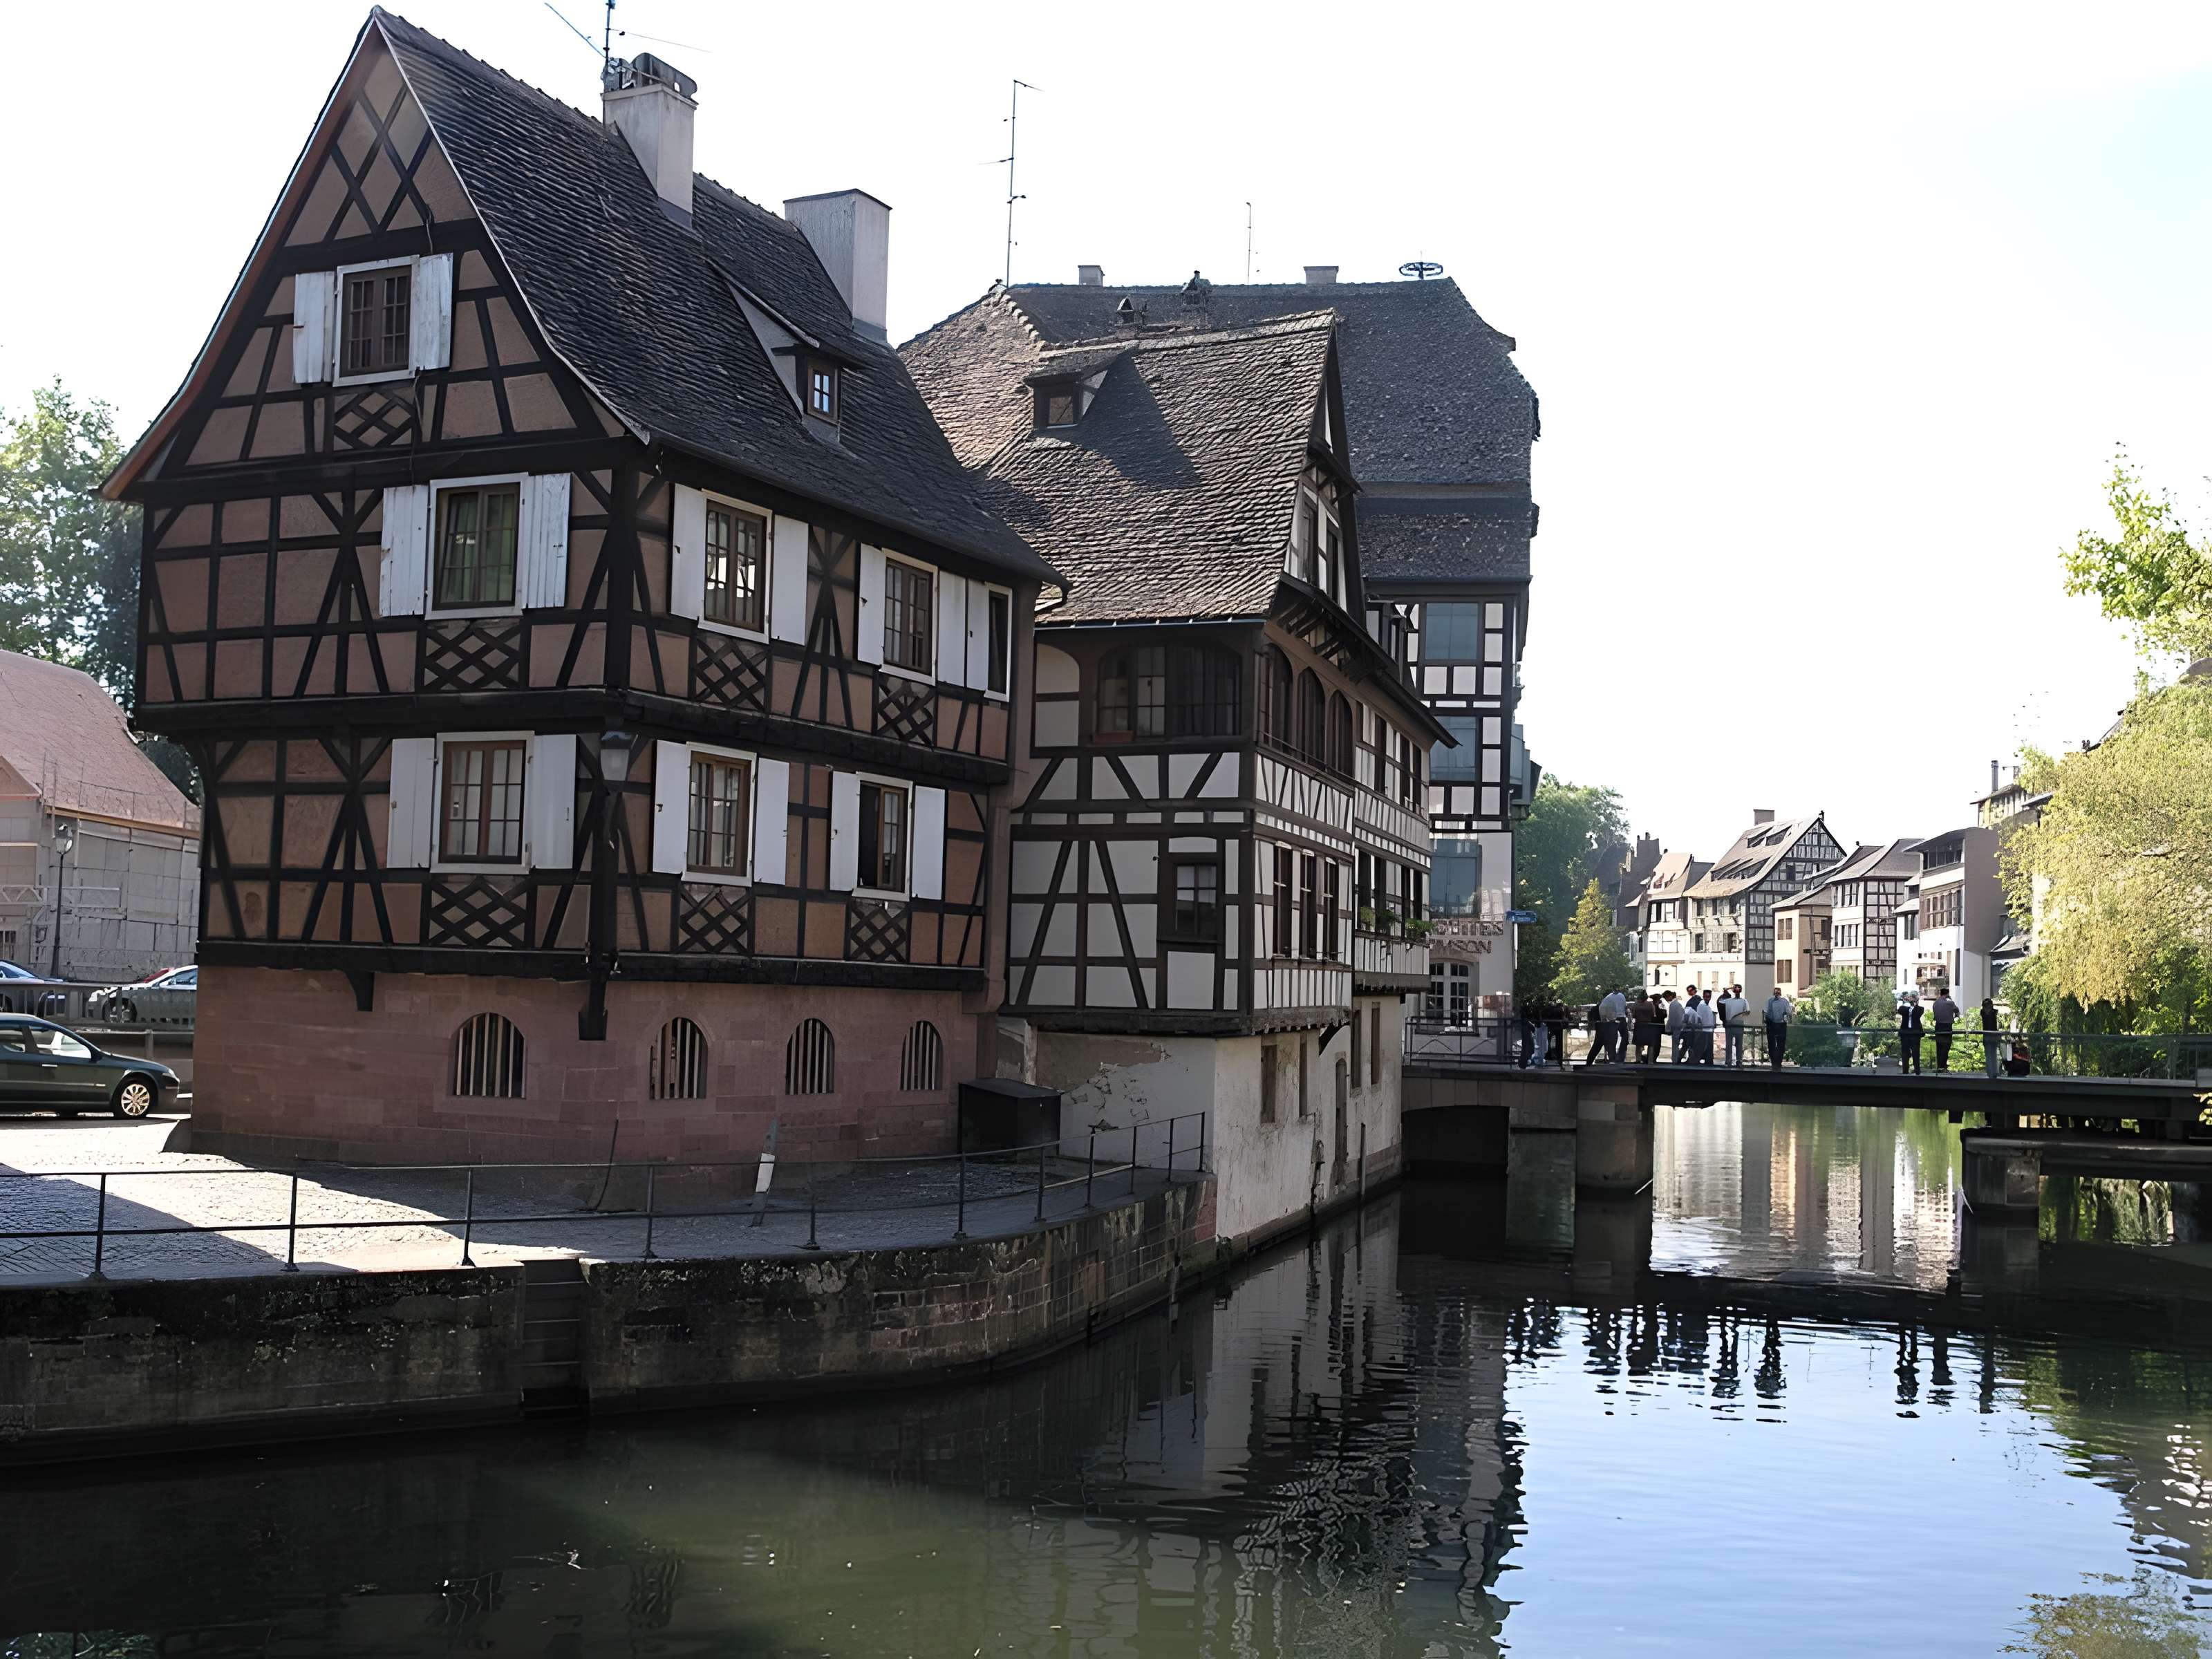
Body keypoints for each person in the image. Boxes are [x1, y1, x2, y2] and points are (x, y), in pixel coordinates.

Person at [1591, 986, 1629, 1065]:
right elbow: (1625, 1008)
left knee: (1612, 1040)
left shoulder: (1608, 999)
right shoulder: (1620, 996)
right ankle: (1618, 1056)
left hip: (1613, 1019)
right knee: (1623, 1037)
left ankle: (1614, 1057)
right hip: (1619, 1018)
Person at [1719, 984, 1750, 1066]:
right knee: (1729, 1044)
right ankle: (1729, 1061)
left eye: (1738, 989)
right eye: (1735, 989)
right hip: (1730, 1023)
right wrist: (1725, 993)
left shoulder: (1744, 1001)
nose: (1737, 991)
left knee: (1739, 1044)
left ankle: (1739, 1061)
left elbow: (1747, 1011)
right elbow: (1720, 1001)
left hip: (1739, 1023)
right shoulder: (1728, 1000)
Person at [1763, 986, 1792, 1069]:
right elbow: (1765, 1012)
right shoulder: (1770, 1001)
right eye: (1776, 993)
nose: (1777, 994)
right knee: (1773, 1044)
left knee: (1780, 1045)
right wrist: (1766, 1020)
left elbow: (1788, 1012)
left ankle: (1778, 1063)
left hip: (1781, 1024)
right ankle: (1774, 1063)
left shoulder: (1784, 1001)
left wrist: (1787, 1019)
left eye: (1778, 993)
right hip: (1772, 1024)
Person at [1931, 987, 1960, 1071]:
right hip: (1947, 1026)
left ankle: (1939, 1066)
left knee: (1939, 1046)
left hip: (1938, 1026)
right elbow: (1957, 1010)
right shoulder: (1950, 1003)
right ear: (1947, 994)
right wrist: (1956, 1017)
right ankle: (1943, 1066)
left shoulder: (1936, 1003)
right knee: (1946, 1046)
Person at [1897, 993, 1924, 1075]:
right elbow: (1900, 1010)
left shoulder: (1919, 1009)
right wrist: (1908, 1005)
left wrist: (1912, 1006)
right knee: (1905, 1053)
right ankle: (1905, 1071)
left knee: (1916, 1053)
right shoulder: (1904, 1008)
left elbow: (1917, 1012)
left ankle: (1917, 1071)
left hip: (1915, 1034)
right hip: (1906, 1033)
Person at [1632, 990, 1661, 1065]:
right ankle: (1650, 1061)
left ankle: (1638, 1059)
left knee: (1638, 1044)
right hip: (1649, 1025)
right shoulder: (1650, 1004)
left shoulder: (1636, 1005)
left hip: (1639, 1025)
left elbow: (1634, 1015)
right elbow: (1653, 1015)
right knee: (1650, 1044)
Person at [1518, 995, 1545, 1070]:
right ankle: (1526, 1061)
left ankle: (1524, 1061)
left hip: (1526, 1030)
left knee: (1526, 1046)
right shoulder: (1528, 1021)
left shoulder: (1524, 1019)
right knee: (1528, 1046)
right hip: (1528, 1031)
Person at [1980, 996, 2002, 1078]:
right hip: (1992, 1035)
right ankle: (1994, 1072)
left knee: (1990, 1054)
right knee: (1993, 1054)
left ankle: (1991, 1072)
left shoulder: (1983, 1012)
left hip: (1988, 1035)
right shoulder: (1994, 1012)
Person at [1546, 1000, 1570, 1069]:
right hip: (1559, 1029)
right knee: (1559, 1045)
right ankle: (1559, 1060)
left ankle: (1550, 1056)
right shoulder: (1560, 1011)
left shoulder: (1552, 1010)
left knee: (1549, 1043)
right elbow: (1564, 1019)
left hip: (1551, 1028)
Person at [1665, 990, 1687, 1062]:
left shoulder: (1673, 1004)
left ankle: (1675, 1059)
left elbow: (1672, 1017)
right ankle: (1677, 1058)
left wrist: (1668, 1028)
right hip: (1681, 1026)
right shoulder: (1677, 1004)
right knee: (1679, 1044)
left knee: (1675, 1044)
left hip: (1676, 1027)